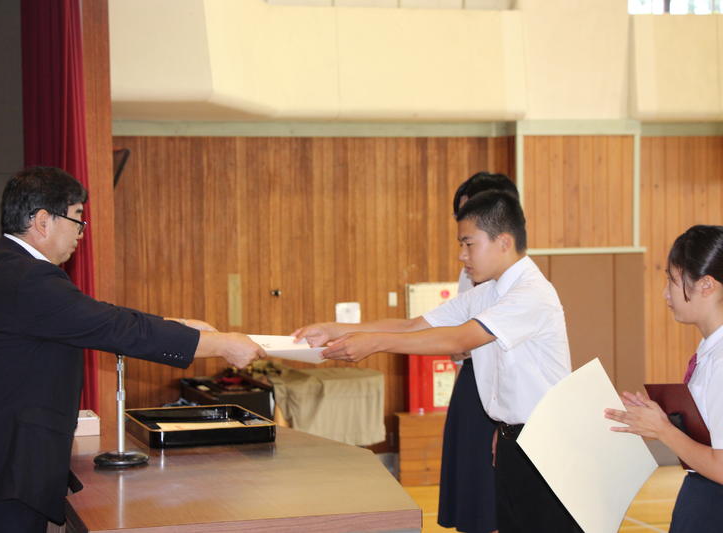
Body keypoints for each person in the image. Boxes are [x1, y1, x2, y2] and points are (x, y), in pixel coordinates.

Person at [0, 166, 267, 533]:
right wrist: (222, 344)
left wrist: (178, 324)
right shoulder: (25, 277)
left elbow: (96, 317)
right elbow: (112, 327)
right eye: (77, 220)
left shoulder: (10, 269)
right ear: (43, 221)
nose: (80, 233)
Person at [293, 190, 581, 532]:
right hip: (512, 438)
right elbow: (414, 325)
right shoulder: (487, 293)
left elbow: (459, 339)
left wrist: (374, 343)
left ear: (504, 241)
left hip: (546, 440)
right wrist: (336, 329)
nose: (462, 255)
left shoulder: (531, 294)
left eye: (468, 244)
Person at [605, 225, 723, 533]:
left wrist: (664, 430)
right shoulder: (710, 350)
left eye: (672, 280)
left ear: (706, 285)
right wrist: (660, 417)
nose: (665, 293)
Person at [435, 172, 519, 533]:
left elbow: (466, 340)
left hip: (502, 392)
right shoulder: (470, 271)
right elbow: (441, 330)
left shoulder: (520, 282)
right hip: (472, 385)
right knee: (473, 505)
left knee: (495, 504)